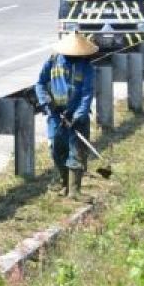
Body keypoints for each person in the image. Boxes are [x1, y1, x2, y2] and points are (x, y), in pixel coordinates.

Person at [34, 32, 97, 200]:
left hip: (77, 117)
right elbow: (40, 83)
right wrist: (46, 101)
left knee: (77, 151)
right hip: (55, 114)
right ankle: (64, 183)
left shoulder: (86, 67)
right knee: (57, 149)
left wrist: (78, 115)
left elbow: (86, 94)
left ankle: (74, 190)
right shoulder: (53, 61)